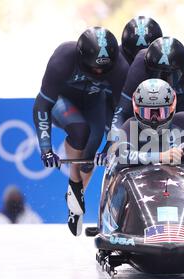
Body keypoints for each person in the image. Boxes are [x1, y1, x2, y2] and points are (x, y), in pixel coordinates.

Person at [32, 27, 129, 236]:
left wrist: (111, 144)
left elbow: (121, 111)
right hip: (63, 102)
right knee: (79, 131)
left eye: (104, 70)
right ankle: (74, 186)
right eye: (93, 69)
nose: (99, 73)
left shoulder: (120, 68)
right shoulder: (63, 58)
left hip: (95, 102)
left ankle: (75, 195)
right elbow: (42, 106)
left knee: (89, 156)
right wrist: (46, 149)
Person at [112, 79, 184, 203]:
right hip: (141, 194)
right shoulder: (130, 125)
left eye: (161, 112)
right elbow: (120, 155)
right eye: (147, 113)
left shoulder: (183, 120)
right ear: (136, 109)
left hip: (180, 190)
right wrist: (161, 156)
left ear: (172, 107)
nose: (154, 119)